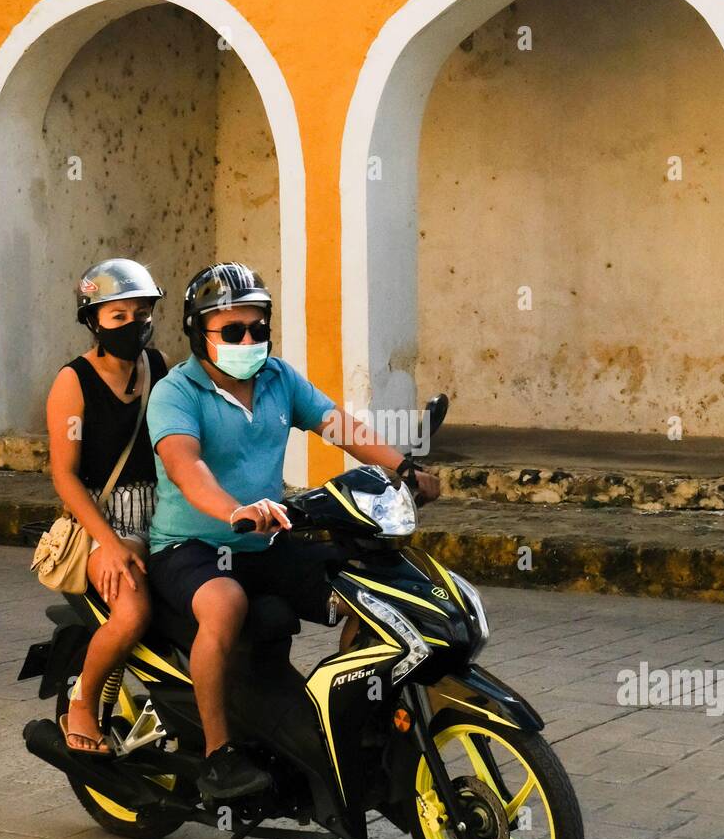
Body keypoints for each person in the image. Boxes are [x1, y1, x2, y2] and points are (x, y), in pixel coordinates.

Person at [146, 261, 440, 800]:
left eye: (258, 328)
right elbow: (187, 468)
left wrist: (402, 470)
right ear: (197, 335)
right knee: (225, 604)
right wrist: (234, 508)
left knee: (368, 596)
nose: (248, 339)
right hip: (193, 544)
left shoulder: (278, 378)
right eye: (232, 331)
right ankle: (219, 754)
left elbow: (338, 425)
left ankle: (351, 723)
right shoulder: (176, 393)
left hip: (267, 537)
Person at [46, 259, 169, 752]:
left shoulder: (158, 367)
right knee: (134, 611)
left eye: (141, 313)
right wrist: (110, 542)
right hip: (102, 519)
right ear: (94, 321)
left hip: (163, 513)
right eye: (119, 316)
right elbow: (65, 475)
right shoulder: (72, 382)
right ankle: (83, 702)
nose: (133, 324)